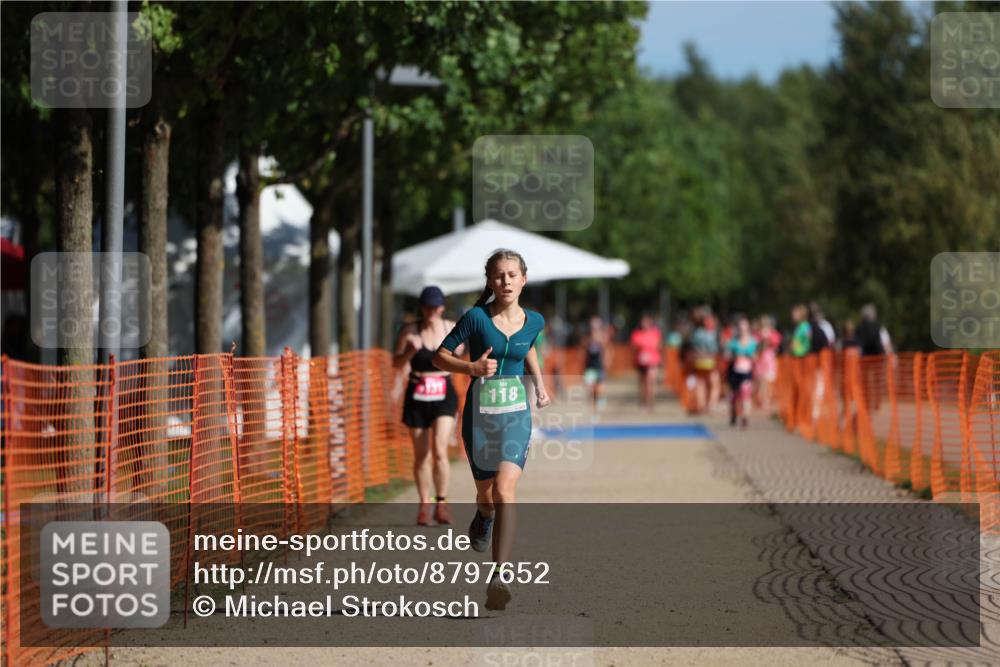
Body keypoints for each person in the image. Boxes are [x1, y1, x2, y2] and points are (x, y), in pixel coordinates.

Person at [433, 249, 550, 611]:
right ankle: (483, 516)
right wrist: (470, 369)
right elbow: (439, 356)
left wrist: (540, 384)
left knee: (504, 489)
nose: (506, 281)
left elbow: (526, 348)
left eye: (512, 275)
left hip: (516, 416)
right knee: (486, 498)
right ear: (490, 281)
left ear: (524, 279)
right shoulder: (476, 318)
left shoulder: (535, 320)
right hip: (480, 419)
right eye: (499, 276)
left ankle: (499, 575)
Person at [393, 286, 461, 527]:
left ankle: (441, 503)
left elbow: (461, 358)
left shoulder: (451, 328)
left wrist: (458, 352)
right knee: (422, 456)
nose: (431, 311)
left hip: (443, 394)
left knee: (440, 449)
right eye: (427, 306)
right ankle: (424, 505)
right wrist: (410, 351)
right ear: (421, 308)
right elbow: (396, 363)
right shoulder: (410, 331)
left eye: (435, 306)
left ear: (442, 307)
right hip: (417, 393)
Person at [725, 315, 758, 428]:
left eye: (744, 325)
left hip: (746, 371)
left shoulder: (753, 342)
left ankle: (745, 417)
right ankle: (733, 413)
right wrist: (734, 356)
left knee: (745, 392)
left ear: (748, 327)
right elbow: (727, 355)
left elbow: (756, 356)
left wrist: (751, 357)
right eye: (740, 326)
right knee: (733, 395)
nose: (742, 328)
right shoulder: (733, 342)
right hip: (734, 371)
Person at [629, 314, 662, 411]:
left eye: (647, 322)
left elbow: (659, 346)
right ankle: (643, 402)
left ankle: (650, 402)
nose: (645, 324)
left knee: (650, 381)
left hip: (652, 361)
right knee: (642, 383)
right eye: (643, 322)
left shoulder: (655, 332)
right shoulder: (636, 333)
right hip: (640, 361)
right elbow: (632, 347)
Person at [689, 311, 720, 414]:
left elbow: (692, 346)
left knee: (700, 384)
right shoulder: (711, 334)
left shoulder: (696, 333)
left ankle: (701, 405)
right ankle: (711, 405)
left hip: (698, 360)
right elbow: (714, 348)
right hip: (709, 360)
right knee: (715, 384)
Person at [581, 316, 610, 411]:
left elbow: (606, 350)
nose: (594, 328)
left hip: (599, 366)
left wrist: (606, 362)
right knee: (590, 388)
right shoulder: (587, 338)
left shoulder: (603, 337)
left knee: (599, 389)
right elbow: (583, 351)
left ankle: (600, 398)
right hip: (589, 367)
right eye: (592, 326)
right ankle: (593, 409)